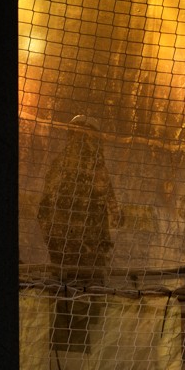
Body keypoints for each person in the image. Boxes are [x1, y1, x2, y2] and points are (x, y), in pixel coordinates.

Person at [37, 115, 122, 277]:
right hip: (76, 249)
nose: (82, 142)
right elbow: (44, 208)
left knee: (74, 291)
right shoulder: (85, 164)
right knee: (80, 291)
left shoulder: (87, 165)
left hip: (74, 249)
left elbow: (113, 212)